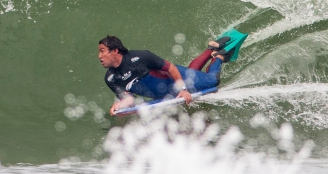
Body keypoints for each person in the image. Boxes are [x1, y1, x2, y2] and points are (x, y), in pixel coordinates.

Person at [98, 35, 230, 116]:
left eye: (102, 51)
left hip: (176, 78)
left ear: (115, 50)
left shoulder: (139, 57)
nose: (99, 56)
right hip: (166, 94)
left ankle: (217, 57)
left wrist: (183, 90)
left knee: (213, 81)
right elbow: (129, 100)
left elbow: (170, 67)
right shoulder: (111, 78)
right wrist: (119, 106)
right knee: (192, 73)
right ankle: (210, 49)